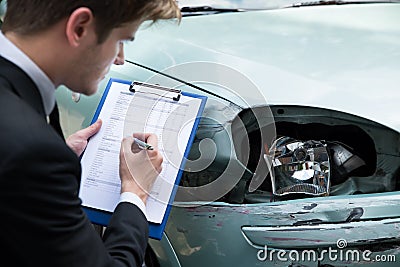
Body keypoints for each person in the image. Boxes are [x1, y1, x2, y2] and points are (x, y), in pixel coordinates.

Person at [0, 1, 180, 266]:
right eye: (121, 41)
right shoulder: (32, 153)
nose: (120, 58)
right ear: (80, 28)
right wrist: (135, 193)